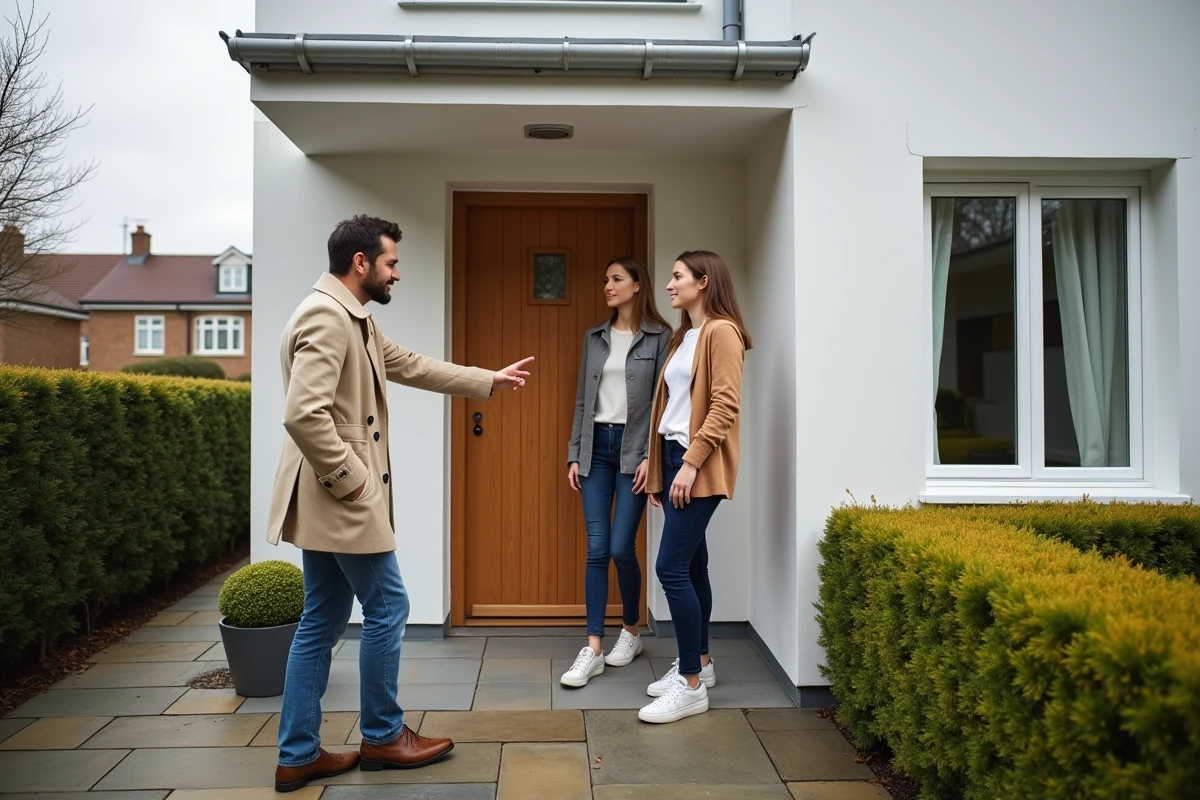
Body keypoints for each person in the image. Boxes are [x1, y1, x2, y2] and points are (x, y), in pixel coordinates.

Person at [268, 215, 534, 792]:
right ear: (360, 263)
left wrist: (487, 379)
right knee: (389, 606)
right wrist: (352, 478)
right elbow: (302, 413)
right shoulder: (326, 316)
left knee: (322, 618)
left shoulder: (351, 317)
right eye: (391, 263)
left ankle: (299, 754)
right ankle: (384, 736)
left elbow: (410, 363)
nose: (397, 274)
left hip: (327, 499)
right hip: (340, 497)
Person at [638, 250, 750, 725]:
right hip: (673, 456)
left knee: (671, 568)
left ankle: (688, 687)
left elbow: (725, 405)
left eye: (678, 276)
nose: (669, 284)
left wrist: (689, 465)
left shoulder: (721, 332)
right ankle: (700, 665)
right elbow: (671, 407)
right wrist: (656, 462)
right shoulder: (685, 336)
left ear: (703, 282)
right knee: (694, 563)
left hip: (695, 461)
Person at [560, 257, 671, 687]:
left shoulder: (660, 338)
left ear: (637, 285)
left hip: (633, 453)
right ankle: (592, 648)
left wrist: (652, 456)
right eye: (605, 279)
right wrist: (574, 453)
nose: (607, 285)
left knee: (622, 547)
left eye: (616, 279)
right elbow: (583, 401)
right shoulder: (595, 337)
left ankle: (630, 630)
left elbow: (662, 404)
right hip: (595, 451)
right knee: (597, 548)